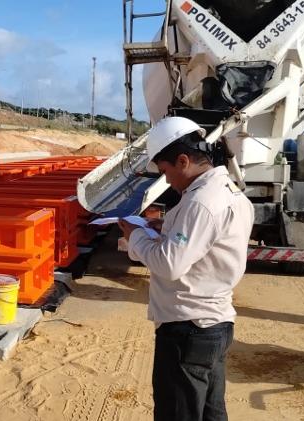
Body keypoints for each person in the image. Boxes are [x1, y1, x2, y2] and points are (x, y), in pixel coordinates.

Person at [117, 116, 253, 421]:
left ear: (182, 160)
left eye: (165, 171)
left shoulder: (201, 203)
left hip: (188, 330)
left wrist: (135, 235)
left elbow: (170, 263)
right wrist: (167, 225)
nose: (166, 180)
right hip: (214, 324)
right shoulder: (229, 192)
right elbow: (209, 242)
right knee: (210, 413)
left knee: (178, 413)